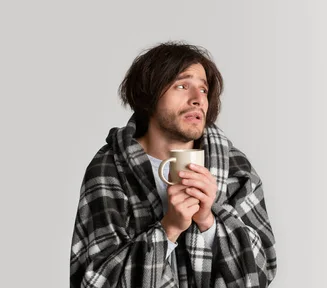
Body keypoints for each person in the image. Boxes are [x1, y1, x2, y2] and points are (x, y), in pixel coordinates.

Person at [70, 41, 277, 288]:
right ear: (150, 95)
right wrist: (168, 229)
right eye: (182, 85)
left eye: (203, 89)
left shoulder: (235, 167)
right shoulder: (110, 169)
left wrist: (208, 221)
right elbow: (92, 281)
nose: (197, 99)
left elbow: (263, 272)